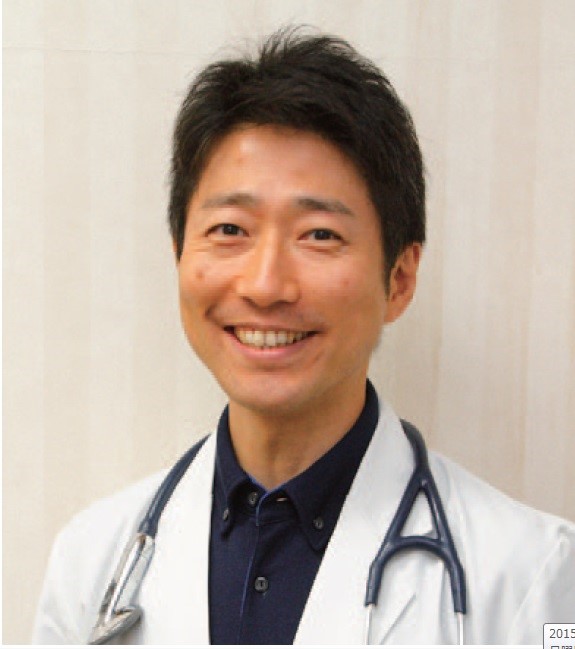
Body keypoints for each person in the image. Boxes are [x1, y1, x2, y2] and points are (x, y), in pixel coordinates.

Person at [33, 28, 575, 645]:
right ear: (180, 253)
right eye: (230, 229)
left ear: (399, 278)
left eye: (320, 235)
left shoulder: (535, 572)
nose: (266, 285)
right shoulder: (91, 562)